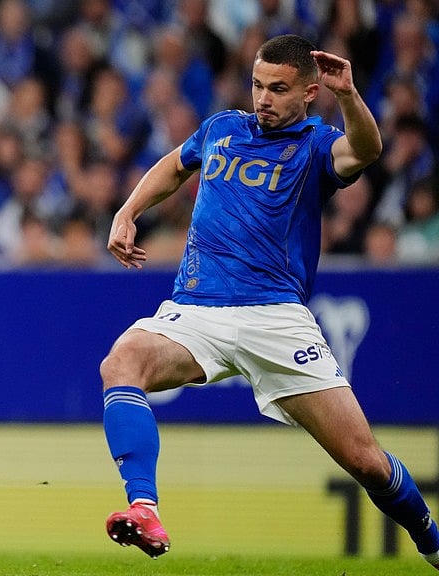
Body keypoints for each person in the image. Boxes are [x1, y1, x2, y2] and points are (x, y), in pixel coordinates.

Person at [99, 34, 439, 570]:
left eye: (278, 89)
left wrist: (349, 96)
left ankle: (432, 541)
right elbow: (175, 165)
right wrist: (128, 210)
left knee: (366, 462)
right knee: (122, 361)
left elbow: (367, 150)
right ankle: (144, 507)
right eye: (258, 85)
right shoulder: (222, 129)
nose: (263, 98)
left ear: (308, 93)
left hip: (275, 318)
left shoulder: (317, 146)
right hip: (197, 309)